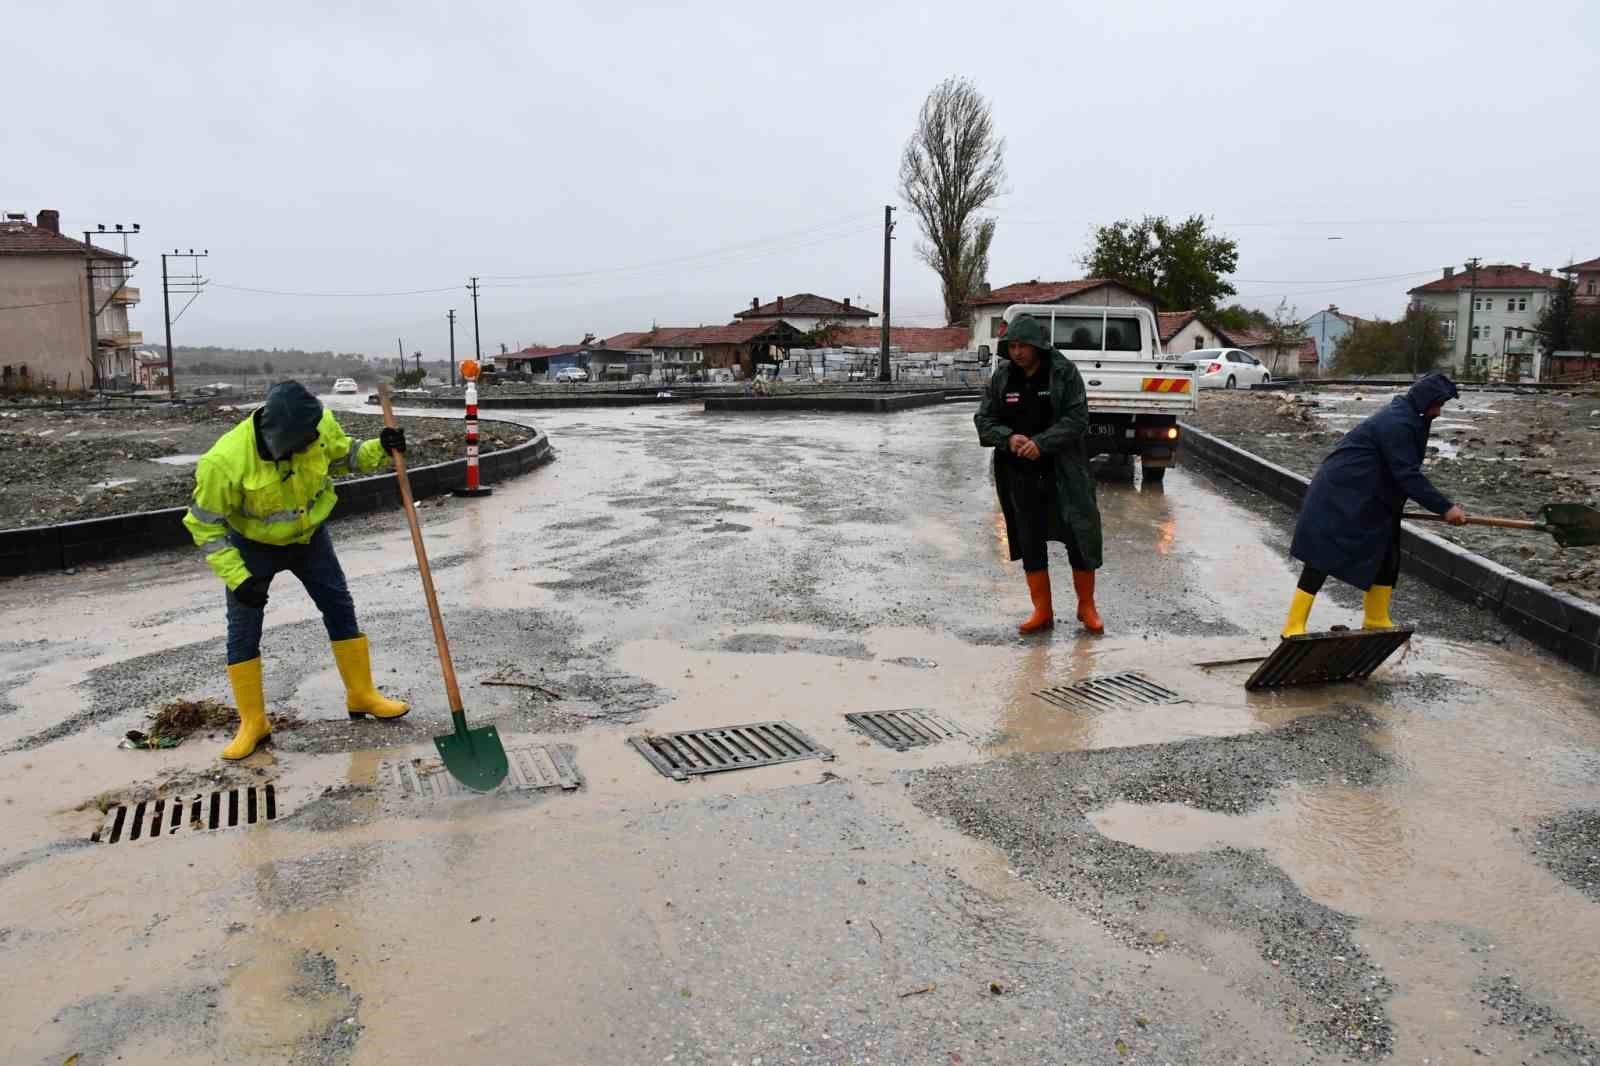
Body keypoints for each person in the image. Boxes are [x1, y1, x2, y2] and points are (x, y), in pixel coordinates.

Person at [182, 381, 411, 760]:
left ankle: (361, 694)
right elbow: (203, 525)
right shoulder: (224, 462)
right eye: (303, 441)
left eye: (313, 437)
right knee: (243, 631)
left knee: (339, 607)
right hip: (253, 547)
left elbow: (347, 455)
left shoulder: (318, 425)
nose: (311, 443)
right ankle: (253, 723)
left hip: (310, 540)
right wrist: (238, 578)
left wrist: (380, 447)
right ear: (280, 439)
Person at [1282, 373, 1469, 636]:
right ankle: (1293, 625)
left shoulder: (1412, 417)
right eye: (1437, 404)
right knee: (1322, 556)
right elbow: (1407, 474)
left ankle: (1376, 617)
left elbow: (1402, 471)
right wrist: (1445, 508)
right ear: (1425, 400)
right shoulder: (1397, 423)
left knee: (1386, 553)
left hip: (1370, 495)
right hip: (1341, 493)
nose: (1438, 412)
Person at [975, 314, 1105, 634]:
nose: (1017, 352)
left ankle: (1086, 606)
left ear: (1038, 346)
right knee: (1030, 539)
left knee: (1078, 535)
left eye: (1023, 345)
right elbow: (983, 419)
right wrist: (1008, 438)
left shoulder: (1063, 372)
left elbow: (1077, 418)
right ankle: (1042, 611)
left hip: (1064, 471)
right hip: (1018, 474)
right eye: (1012, 346)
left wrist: (1042, 444)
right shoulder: (1003, 377)